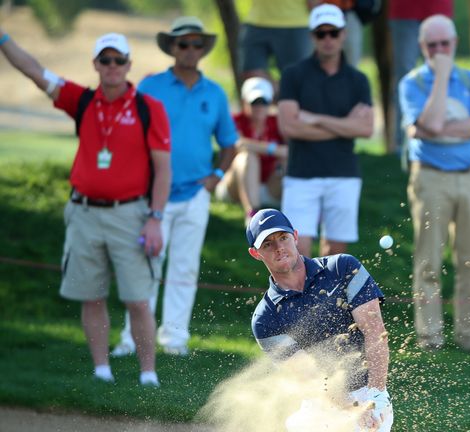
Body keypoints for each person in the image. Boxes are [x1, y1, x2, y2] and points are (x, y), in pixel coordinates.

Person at [0, 29, 171, 385]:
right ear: (95, 64)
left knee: (138, 299)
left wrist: (154, 218)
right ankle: (101, 371)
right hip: (84, 213)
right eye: (105, 60)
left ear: (128, 64)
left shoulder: (147, 108)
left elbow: (163, 168)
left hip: (131, 213)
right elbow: (34, 71)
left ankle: (148, 374)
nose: (112, 66)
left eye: (118, 60)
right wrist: (3, 39)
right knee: (90, 295)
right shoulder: (81, 100)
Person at [113, 16, 239, 357]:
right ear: (172, 47)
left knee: (185, 267)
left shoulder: (214, 93)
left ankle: (175, 339)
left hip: (196, 193)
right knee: (145, 265)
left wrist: (215, 177)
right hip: (153, 193)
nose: (190, 50)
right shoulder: (151, 87)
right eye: (183, 43)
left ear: (202, 49)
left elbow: (229, 142)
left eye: (196, 44)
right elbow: (129, 135)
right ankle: (133, 339)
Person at [247, 208, 393, 431]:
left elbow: (375, 333)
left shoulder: (343, 267)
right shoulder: (265, 318)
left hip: (369, 389)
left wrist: (375, 397)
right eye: (267, 244)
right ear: (255, 254)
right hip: (322, 401)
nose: (279, 248)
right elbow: (310, 378)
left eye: (283, 238)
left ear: (295, 237)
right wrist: (352, 409)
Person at [399, 14, 470, 354]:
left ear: (455, 44)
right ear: (422, 47)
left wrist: (438, 131)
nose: (439, 50)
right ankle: (431, 336)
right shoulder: (413, 84)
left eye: (445, 44)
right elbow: (432, 122)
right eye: (432, 45)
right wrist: (440, 78)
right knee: (429, 260)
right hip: (430, 176)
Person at [277, 4, 374, 258]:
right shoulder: (293, 75)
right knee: (298, 252)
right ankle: (301, 300)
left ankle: (327, 300)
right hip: (301, 175)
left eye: (333, 32)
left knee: (335, 256)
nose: (328, 39)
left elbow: (366, 128)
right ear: (312, 37)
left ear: (343, 34)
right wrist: (344, 126)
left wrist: (314, 119)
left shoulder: (358, 80)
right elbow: (289, 127)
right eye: (321, 33)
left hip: (343, 174)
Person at [214, 77, 287, 225]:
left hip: (268, 185)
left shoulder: (277, 121)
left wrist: (255, 146)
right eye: (255, 103)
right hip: (233, 187)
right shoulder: (235, 120)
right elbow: (238, 144)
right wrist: (273, 149)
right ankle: (253, 215)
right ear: (244, 103)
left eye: (264, 102)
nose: (259, 107)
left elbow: (289, 152)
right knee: (247, 157)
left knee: (286, 162)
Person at [389, 0, 453, 153]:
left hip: (439, 8)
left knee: (444, 71)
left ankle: (447, 134)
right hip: (405, 10)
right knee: (404, 76)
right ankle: (402, 141)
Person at [239, 0, 313, 80]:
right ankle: (279, 90)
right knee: (252, 75)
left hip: (296, 24)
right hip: (257, 21)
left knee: (296, 77)